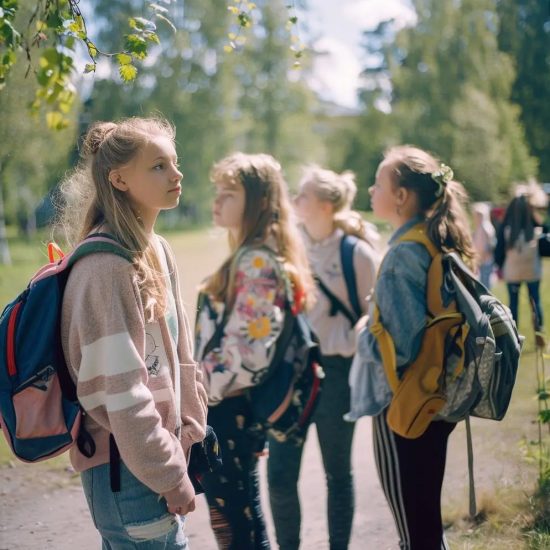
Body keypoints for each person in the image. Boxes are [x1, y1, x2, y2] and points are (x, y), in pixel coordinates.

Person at [59, 117, 208, 548]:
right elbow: (123, 394)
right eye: (159, 166)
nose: (177, 175)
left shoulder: (157, 249)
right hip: (127, 471)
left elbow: (181, 356)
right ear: (119, 178)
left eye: (175, 163)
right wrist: (167, 473)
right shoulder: (106, 269)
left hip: (157, 457)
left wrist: (191, 429)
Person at [348, 145, 476, 550]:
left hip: (402, 404)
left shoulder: (404, 253)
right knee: (424, 521)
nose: (371, 190)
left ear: (401, 196)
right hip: (433, 395)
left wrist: (362, 332)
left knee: (413, 529)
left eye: (379, 183)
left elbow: (401, 347)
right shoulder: (432, 239)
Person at [194, 152, 315, 550]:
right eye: (218, 192)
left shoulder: (257, 261)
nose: (217, 202)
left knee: (237, 522)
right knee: (235, 515)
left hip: (230, 408)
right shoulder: (252, 256)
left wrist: (195, 385)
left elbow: (248, 353)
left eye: (229, 194)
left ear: (260, 202)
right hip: (230, 407)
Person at [266, 166, 379, 550]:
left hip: (336, 373)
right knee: (280, 474)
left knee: (338, 474)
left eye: (304, 196)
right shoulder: (285, 249)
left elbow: (375, 320)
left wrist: (347, 337)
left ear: (327, 205)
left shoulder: (358, 254)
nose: (295, 201)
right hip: (290, 374)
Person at [494, 183, 548, 330]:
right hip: (532, 271)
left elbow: (499, 251)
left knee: (513, 304)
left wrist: (499, 266)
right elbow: (546, 250)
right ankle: (539, 333)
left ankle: (513, 334)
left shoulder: (505, 227)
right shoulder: (536, 225)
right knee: (535, 302)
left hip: (512, 273)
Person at [471, 202, 496, 288]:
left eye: (479, 215)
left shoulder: (487, 227)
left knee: (485, 283)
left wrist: (485, 254)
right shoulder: (477, 227)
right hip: (479, 259)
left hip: (486, 259)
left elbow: (491, 244)